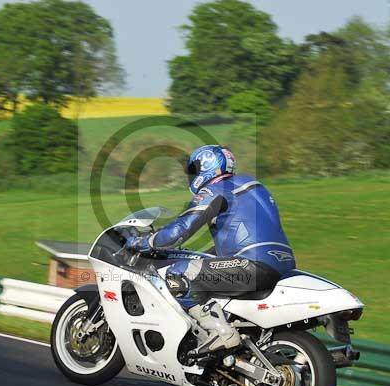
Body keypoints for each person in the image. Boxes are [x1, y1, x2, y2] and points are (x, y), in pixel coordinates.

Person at [125, 145, 296, 352]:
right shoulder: (252, 184)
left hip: (252, 264)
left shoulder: (215, 189)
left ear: (206, 166)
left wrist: (145, 241)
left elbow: (180, 230)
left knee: (179, 274)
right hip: (281, 263)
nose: (192, 177)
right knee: (204, 263)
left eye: (194, 170)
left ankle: (220, 333)